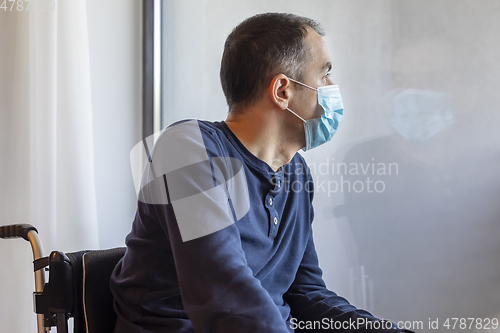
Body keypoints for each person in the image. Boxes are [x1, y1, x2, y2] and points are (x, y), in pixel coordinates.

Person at [110, 13, 412, 332]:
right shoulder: (188, 150)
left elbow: (305, 293)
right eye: (324, 75)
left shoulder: (296, 173)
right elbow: (224, 297)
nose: (333, 88)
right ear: (282, 90)